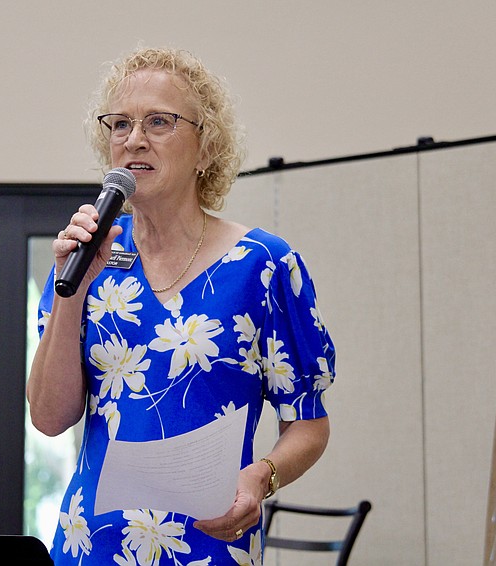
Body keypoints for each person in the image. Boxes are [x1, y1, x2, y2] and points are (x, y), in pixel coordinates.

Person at [27, 46, 335, 565]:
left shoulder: (262, 266)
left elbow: (308, 422)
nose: (134, 139)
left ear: (206, 148)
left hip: (210, 546)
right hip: (91, 546)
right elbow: (49, 417)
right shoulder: (89, 256)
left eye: (159, 121)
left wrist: (263, 477)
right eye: (120, 124)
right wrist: (71, 290)